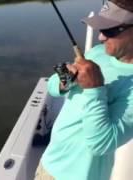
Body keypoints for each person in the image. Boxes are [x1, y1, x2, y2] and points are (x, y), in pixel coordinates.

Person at [35, 0, 133, 179]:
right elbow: (52, 87)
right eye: (100, 29)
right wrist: (67, 78)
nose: (101, 37)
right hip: (48, 164)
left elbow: (101, 144)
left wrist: (95, 88)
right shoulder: (97, 52)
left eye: (110, 30)